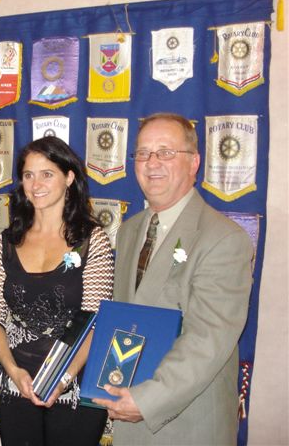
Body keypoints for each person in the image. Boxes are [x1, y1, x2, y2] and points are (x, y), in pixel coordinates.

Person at [93, 113, 253, 445]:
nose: (152, 163)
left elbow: (207, 341)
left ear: (194, 163)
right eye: (143, 152)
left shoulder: (224, 240)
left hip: (185, 426)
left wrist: (146, 400)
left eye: (166, 152)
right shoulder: (129, 230)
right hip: (127, 418)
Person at [0, 136, 114, 446]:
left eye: (47, 173)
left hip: (74, 389)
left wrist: (62, 379)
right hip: (14, 386)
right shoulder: (6, 242)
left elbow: (96, 320)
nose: (36, 183)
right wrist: (13, 371)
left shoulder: (93, 241)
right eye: (28, 175)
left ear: (69, 178)